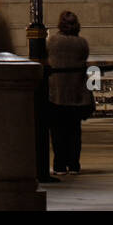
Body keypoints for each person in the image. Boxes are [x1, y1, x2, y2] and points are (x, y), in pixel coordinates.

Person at [47, 10, 91, 176]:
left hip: (57, 93)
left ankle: (59, 165)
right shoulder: (82, 43)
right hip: (76, 93)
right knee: (74, 131)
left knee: (58, 132)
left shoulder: (53, 41)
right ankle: (74, 164)